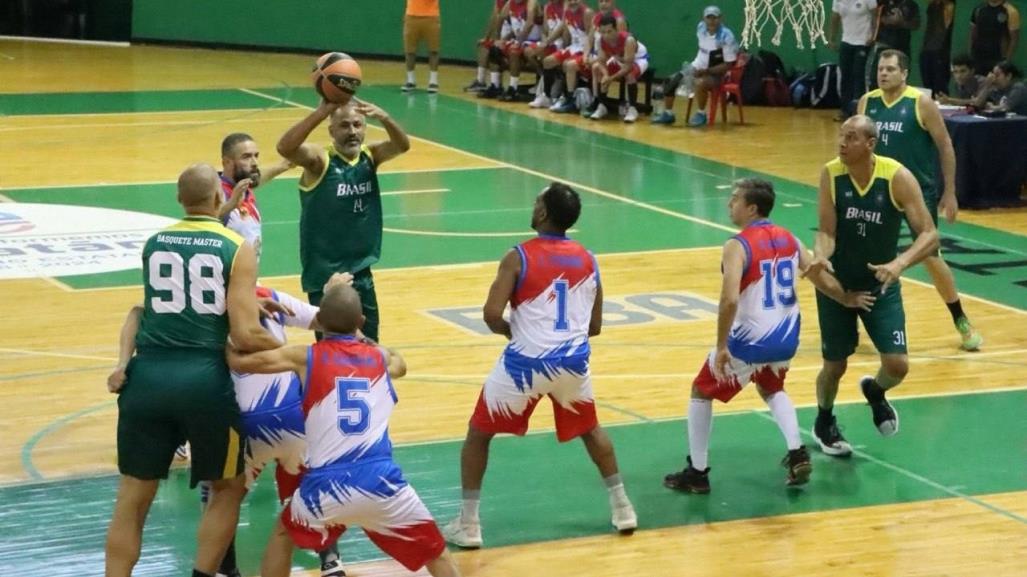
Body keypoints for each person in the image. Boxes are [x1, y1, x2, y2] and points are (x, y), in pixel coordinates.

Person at [109, 275, 355, 577]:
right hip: (291, 422)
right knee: (310, 485)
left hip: (243, 424)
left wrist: (121, 364)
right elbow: (328, 320)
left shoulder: (200, 308)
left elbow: (137, 313)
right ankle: (330, 559)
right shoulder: (267, 293)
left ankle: (226, 569)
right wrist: (332, 294)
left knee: (219, 493)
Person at [104, 164, 283, 577]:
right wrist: (293, 354)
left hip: (146, 376)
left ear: (179, 198)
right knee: (229, 487)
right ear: (219, 199)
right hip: (203, 381)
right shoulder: (235, 245)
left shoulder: (154, 241)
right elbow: (244, 335)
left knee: (133, 496)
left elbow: (168, 303)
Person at [442, 182, 637, 549]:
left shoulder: (518, 256)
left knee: (478, 435)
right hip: (573, 362)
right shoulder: (588, 259)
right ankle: (623, 507)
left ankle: (469, 525)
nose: (532, 206)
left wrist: (513, 332)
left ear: (544, 213)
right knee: (591, 429)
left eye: (536, 202)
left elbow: (489, 315)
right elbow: (594, 326)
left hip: (525, 365)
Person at [227, 283, 462, 577]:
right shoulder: (380, 360)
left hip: (326, 485)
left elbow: (238, 360)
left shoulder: (305, 356)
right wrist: (367, 339)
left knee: (283, 537)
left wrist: (238, 324)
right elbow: (400, 364)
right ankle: (331, 560)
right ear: (361, 322)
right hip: (382, 481)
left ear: (320, 322)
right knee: (437, 554)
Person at [664, 179, 876, 493]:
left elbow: (730, 299)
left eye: (735, 199)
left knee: (701, 390)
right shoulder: (789, 238)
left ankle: (697, 471)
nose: (729, 204)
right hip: (787, 337)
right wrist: (845, 298)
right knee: (771, 385)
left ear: (752, 208)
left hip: (751, 340)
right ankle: (796, 452)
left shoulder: (737, 245)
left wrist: (722, 345)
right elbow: (817, 274)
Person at [808, 116, 940, 457]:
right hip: (839, 282)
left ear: (870, 144)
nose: (841, 143)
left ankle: (876, 392)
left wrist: (899, 264)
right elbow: (826, 230)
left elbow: (929, 234)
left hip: (880, 282)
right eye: (840, 136)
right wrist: (821, 256)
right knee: (834, 366)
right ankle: (824, 420)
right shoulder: (831, 173)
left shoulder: (896, 176)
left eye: (850, 137)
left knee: (898, 365)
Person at [858, 49, 983, 351]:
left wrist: (950, 192)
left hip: (917, 191)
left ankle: (961, 319)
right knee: (864, 252)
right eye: (880, 69)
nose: (883, 73)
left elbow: (945, 146)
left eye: (890, 69)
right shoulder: (868, 102)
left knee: (930, 255)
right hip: (878, 190)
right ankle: (862, 320)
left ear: (904, 73)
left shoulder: (920, 103)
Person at [276, 99, 410, 344]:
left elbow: (402, 145)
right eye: (344, 126)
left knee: (369, 344)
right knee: (334, 346)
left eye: (358, 125)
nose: (352, 132)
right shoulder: (320, 160)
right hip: (326, 274)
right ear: (331, 130)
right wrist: (322, 111)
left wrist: (386, 117)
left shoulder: (371, 155)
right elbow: (285, 148)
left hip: (360, 270)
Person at [650, 5, 738, 127]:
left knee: (700, 83)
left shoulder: (726, 36)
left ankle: (701, 114)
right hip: (696, 67)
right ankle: (668, 114)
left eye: (715, 18)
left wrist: (706, 71)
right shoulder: (701, 28)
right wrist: (695, 68)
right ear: (704, 19)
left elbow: (729, 65)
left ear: (720, 19)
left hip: (718, 74)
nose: (712, 21)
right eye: (709, 18)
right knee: (671, 80)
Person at [218, 133, 295, 261]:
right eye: (246, 157)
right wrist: (231, 204)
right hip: (228, 277)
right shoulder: (218, 192)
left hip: (247, 275)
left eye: (256, 156)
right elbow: (207, 217)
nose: (254, 162)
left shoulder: (243, 186)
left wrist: (284, 165)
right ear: (227, 162)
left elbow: (259, 179)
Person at [585, 13, 649, 122]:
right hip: (619, 58)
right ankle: (602, 106)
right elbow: (601, 62)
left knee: (629, 74)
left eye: (609, 31)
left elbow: (628, 67)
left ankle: (633, 109)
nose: (606, 35)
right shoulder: (600, 40)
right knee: (598, 70)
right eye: (603, 32)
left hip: (638, 59)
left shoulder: (628, 40)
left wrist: (611, 78)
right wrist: (606, 75)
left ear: (616, 30)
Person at [829, 0, 878, 120]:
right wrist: (832, 38)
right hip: (846, 41)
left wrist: (873, 35)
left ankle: (859, 111)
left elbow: (876, 16)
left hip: (863, 42)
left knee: (858, 75)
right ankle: (845, 111)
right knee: (845, 76)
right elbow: (835, 18)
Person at [547, 0, 595, 114]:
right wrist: (548, 42)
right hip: (574, 46)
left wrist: (586, 55)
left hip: (586, 49)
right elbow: (566, 33)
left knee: (568, 65)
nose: (573, 2)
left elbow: (591, 37)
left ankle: (569, 99)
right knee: (548, 61)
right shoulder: (567, 11)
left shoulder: (587, 12)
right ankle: (548, 95)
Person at [969, 0, 1021, 76]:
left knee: (994, 86)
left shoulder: (1011, 11)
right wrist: (970, 55)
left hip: (997, 58)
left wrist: (1006, 61)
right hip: (978, 57)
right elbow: (972, 34)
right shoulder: (979, 9)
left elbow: (1014, 39)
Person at [402, 0, 441, 93]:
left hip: (431, 16)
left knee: (433, 50)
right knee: (410, 51)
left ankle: (433, 81)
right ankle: (411, 80)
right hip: (411, 16)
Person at [920, 0, 956, 98]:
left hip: (940, 51)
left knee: (940, 91)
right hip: (927, 50)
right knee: (927, 89)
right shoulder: (932, 5)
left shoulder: (949, 5)